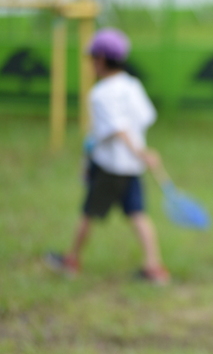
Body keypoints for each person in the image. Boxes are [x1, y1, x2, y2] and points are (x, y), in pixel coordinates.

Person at [45, 28, 169, 285]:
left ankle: (71, 260)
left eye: (92, 58)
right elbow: (146, 117)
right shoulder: (133, 85)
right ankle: (154, 267)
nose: (90, 63)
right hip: (132, 167)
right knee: (137, 213)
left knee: (88, 212)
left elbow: (118, 128)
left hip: (110, 167)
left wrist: (137, 151)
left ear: (101, 59)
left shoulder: (99, 94)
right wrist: (141, 152)